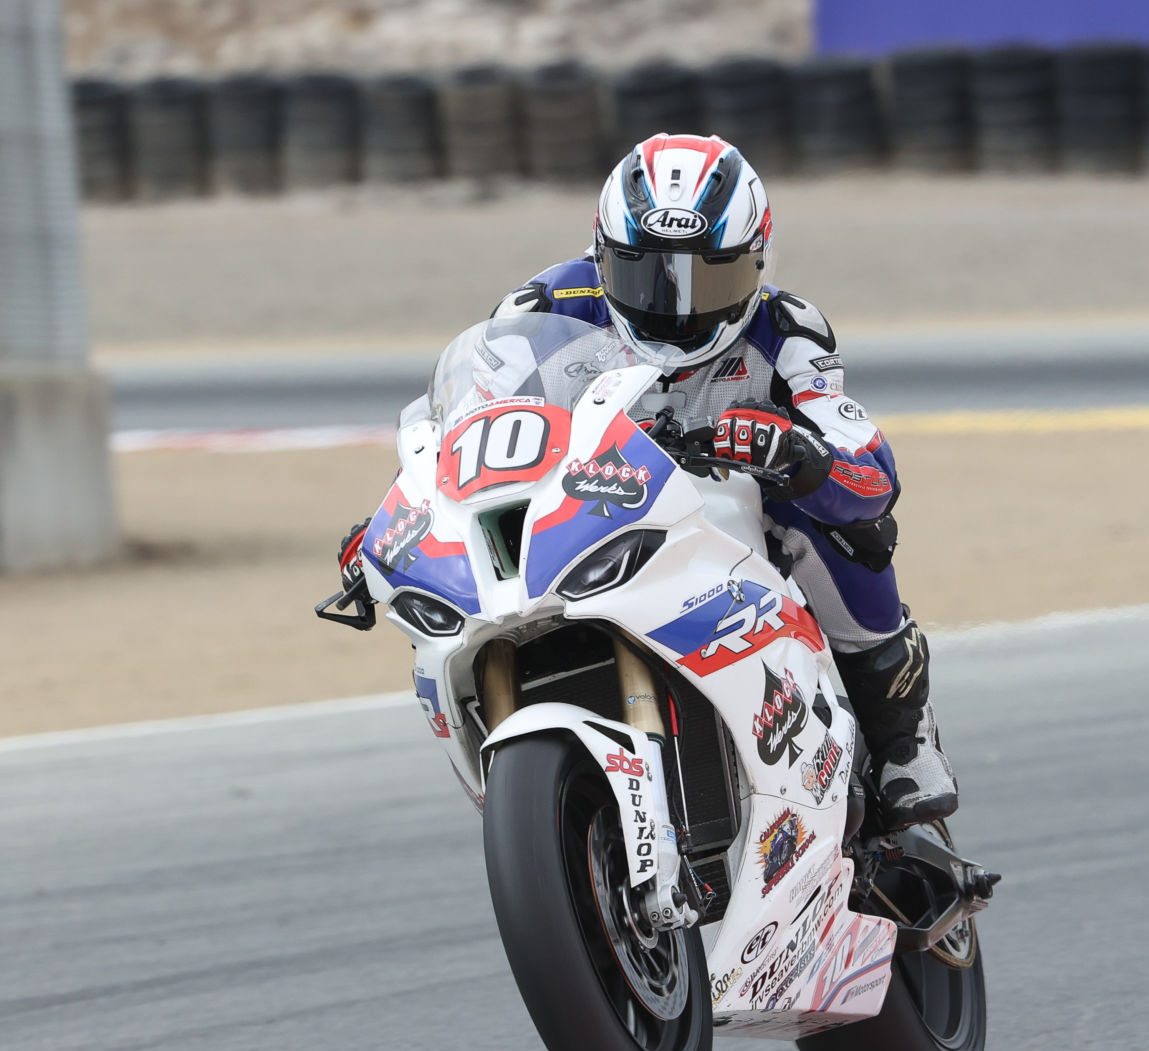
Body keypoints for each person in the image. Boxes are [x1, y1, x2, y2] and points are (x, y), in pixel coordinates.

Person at [338, 133, 956, 830]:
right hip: (597, 508)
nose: (675, 307)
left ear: (756, 262)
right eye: (645, 275)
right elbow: (467, 424)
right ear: (603, 257)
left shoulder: (789, 332)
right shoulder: (547, 306)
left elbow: (870, 470)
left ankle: (904, 734)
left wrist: (797, 455)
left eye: (707, 278)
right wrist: (405, 509)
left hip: (733, 512)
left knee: (846, 527)